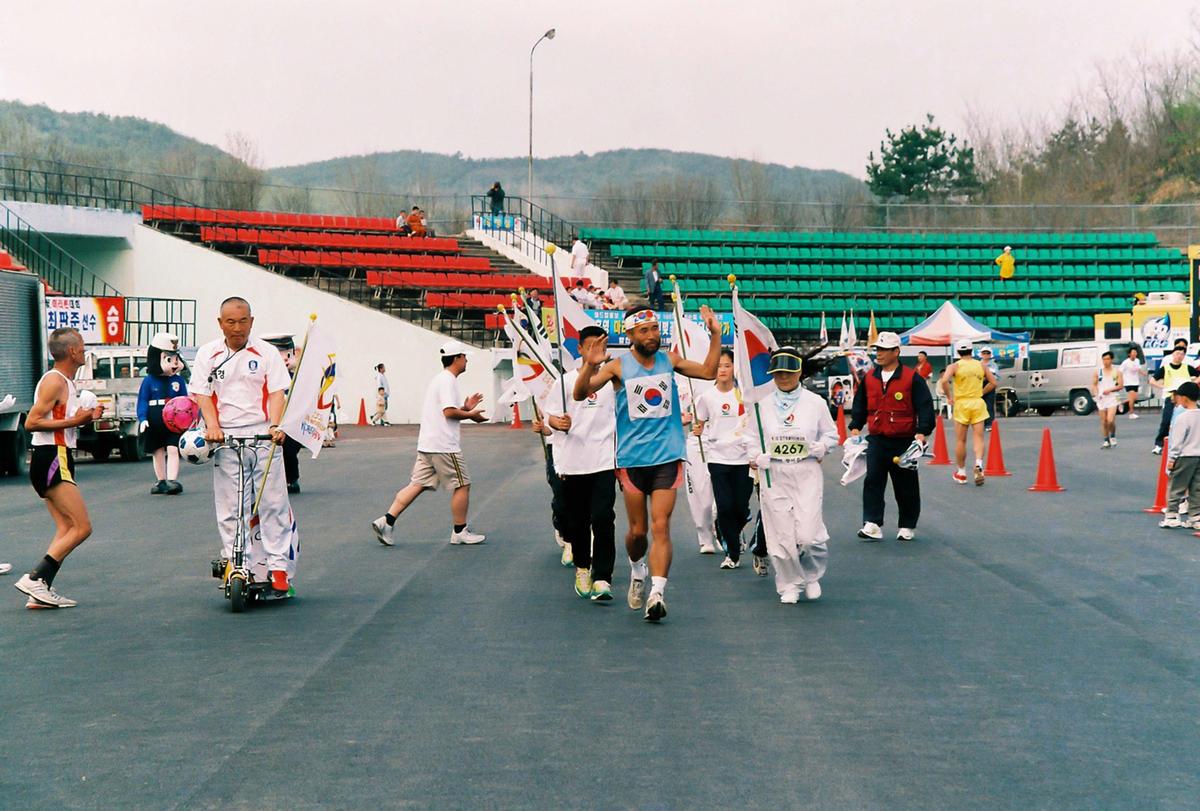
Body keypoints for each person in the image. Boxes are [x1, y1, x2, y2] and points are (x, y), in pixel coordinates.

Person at [573, 303, 722, 622]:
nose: (653, 335)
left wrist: (715, 336)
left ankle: (657, 592)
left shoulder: (669, 361)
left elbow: (709, 372)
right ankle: (637, 569)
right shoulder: (616, 367)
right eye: (644, 331)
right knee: (638, 533)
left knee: (661, 526)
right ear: (630, 335)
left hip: (668, 456)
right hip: (631, 460)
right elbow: (580, 394)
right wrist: (589, 365)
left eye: (655, 329)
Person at [192, 297, 296, 594]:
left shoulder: (266, 353)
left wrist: (275, 426)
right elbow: (203, 395)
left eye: (242, 321)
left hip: (263, 436)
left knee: (273, 502)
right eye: (230, 322)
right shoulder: (208, 354)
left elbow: (277, 393)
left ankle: (278, 567)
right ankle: (236, 562)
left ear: (251, 321)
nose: (237, 328)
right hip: (226, 438)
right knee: (230, 505)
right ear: (220, 323)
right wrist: (212, 426)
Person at [13, 327, 104, 608]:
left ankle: (39, 592)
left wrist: (84, 418)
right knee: (82, 527)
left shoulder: (65, 381)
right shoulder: (55, 381)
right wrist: (75, 422)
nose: (85, 351)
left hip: (54, 456)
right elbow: (32, 422)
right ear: (74, 352)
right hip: (53, 456)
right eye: (83, 346)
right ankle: (35, 579)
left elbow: (60, 419)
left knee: (66, 526)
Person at [746, 347, 839, 603]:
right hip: (774, 473)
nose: (783, 377)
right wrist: (756, 456)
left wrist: (821, 447)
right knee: (781, 535)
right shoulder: (760, 406)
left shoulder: (815, 403)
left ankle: (811, 575)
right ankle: (789, 584)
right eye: (778, 373)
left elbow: (831, 435)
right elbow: (750, 438)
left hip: (806, 472)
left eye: (788, 372)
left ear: (799, 371)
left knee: (808, 536)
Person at [372, 341, 488, 546]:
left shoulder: (441, 380)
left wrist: (465, 407)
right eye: (464, 356)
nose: (466, 359)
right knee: (462, 485)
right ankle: (459, 531)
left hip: (428, 444)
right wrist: (470, 414)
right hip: (443, 445)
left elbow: (448, 408)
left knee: (418, 484)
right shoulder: (448, 381)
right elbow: (448, 412)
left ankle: (386, 521)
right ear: (456, 358)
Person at [542, 325, 618, 600]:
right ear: (581, 349)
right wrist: (555, 422)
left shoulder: (612, 380)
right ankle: (583, 567)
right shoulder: (565, 381)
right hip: (572, 461)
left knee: (603, 517)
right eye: (592, 347)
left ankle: (602, 577)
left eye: (602, 346)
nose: (598, 352)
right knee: (579, 520)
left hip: (603, 460)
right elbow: (548, 416)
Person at [849, 331, 935, 541]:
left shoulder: (911, 377)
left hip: (904, 440)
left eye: (884, 350)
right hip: (877, 438)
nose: (879, 354)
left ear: (896, 352)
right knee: (873, 481)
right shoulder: (869, 377)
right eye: (877, 349)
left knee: (906, 485)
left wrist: (922, 432)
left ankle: (907, 525)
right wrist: (855, 426)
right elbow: (860, 403)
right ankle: (872, 523)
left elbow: (925, 406)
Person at [695, 349, 755, 569]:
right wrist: (697, 429)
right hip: (718, 458)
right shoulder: (707, 397)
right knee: (725, 506)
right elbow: (699, 422)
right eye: (719, 366)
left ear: (733, 368)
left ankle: (732, 531)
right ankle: (732, 553)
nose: (722, 370)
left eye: (727, 365)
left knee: (740, 507)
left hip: (743, 458)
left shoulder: (744, 395)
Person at [938, 340, 997, 486]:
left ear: (958, 352)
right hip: (977, 402)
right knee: (978, 437)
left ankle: (962, 472)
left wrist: (949, 397)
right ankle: (978, 464)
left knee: (961, 440)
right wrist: (981, 392)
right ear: (972, 350)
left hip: (962, 403)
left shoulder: (954, 366)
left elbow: (944, 380)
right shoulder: (980, 365)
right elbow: (993, 383)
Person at [137, 331, 188, 495]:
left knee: (173, 449)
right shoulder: (149, 381)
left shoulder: (178, 381)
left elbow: (185, 401)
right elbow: (143, 400)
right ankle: (161, 480)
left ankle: (172, 480)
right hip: (154, 419)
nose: (174, 364)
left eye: (176, 359)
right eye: (169, 359)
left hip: (174, 420)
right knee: (157, 450)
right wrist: (143, 418)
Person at [678, 370, 719, 556]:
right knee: (700, 496)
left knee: (724, 496)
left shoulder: (726, 387)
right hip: (696, 443)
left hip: (723, 444)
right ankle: (705, 536)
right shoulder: (680, 385)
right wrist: (682, 420)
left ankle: (727, 529)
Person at [530, 405, 572, 567]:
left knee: (581, 497)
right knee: (561, 496)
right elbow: (549, 430)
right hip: (555, 449)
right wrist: (541, 428)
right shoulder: (544, 391)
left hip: (581, 449)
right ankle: (563, 530)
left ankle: (577, 541)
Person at [263, 333, 304, 494]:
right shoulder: (263, 378)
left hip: (291, 422)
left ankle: (291, 479)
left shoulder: (295, 379)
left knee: (289, 450)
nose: (286, 359)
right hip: (269, 420)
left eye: (289, 355)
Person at [1161, 381, 1200, 528]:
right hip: (1198, 455)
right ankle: (1195, 517)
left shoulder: (1182, 418)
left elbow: (1176, 441)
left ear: (1184, 398)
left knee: (1176, 486)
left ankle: (1171, 515)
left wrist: (1171, 458)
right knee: (1197, 487)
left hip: (1184, 456)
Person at [1150, 340, 1199, 455]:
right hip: (1171, 396)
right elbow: (1152, 380)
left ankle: (1187, 443)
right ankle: (1159, 444)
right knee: (1166, 421)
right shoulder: (1166, 368)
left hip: (1185, 398)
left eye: (1182, 354)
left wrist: (1193, 383)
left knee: (1189, 420)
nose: (1179, 356)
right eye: (1177, 353)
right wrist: (1163, 386)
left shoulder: (1187, 367)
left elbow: (1198, 376)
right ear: (1173, 354)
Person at [1093, 351, 1124, 449]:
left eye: (1107, 359)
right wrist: (1096, 393)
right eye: (1104, 359)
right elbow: (1094, 384)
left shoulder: (1116, 372)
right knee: (1104, 421)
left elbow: (1120, 385)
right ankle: (1106, 440)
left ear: (1111, 360)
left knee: (1110, 420)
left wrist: (1110, 390)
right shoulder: (1098, 372)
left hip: (1112, 398)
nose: (1105, 361)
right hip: (1102, 398)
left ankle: (1113, 435)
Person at [1119, 347, 1143, 419]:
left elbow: (1138, 369)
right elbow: (1120, 371)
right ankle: (1131, 413)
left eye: (1135, 353)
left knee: (1134, 398)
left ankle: (1122, 403)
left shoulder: (1137, 361)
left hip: (1136, 382)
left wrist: (1144, 374)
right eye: (1133, 353)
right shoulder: (1125, 362)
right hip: (1128, 382)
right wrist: (1121, 381)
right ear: (1129, 354)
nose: (1134, 354)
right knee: (1132, 398)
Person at [979, 347, 999, 430]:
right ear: (981, 354)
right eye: (984, 353)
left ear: (990, 355)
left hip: (990, 385)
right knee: (979, 405)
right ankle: (980, 424)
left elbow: (996, 376)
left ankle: (989, 424)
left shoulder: (993, 365)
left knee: (989, 405)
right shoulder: (978, 364)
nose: (986, 355)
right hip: (979, 385)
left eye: (988, 353)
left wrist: (987, 377)